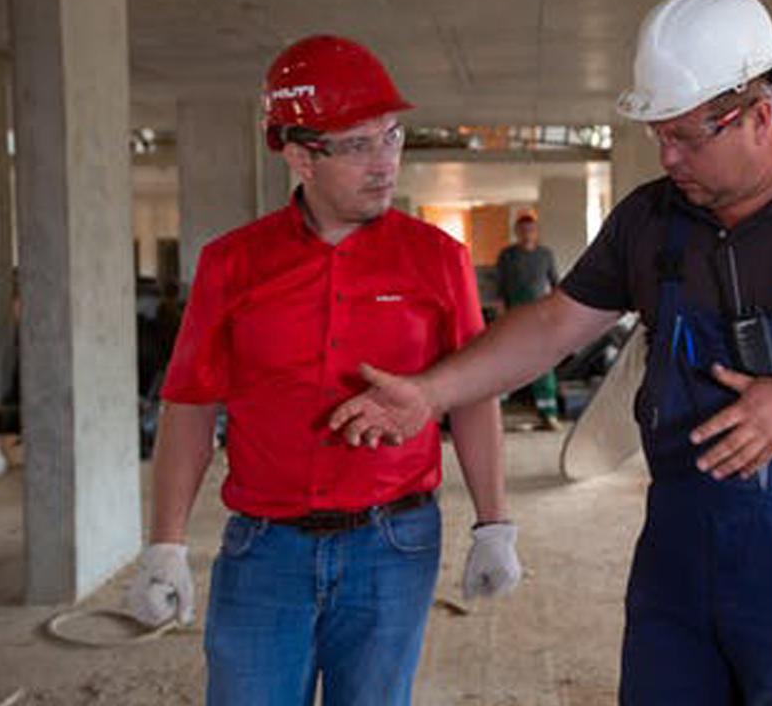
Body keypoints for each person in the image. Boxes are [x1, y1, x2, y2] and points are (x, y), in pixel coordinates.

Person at [330, 0, 772, 705]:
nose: (666, 157)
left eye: (684, 136)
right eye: (658, 135)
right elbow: (553, 324)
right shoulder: (651, 221)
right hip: (679, 545)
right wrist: (430, 392)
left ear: (758, 115)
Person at [127, 35, 521, 706]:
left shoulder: (437, 260)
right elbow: (190, 404)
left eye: (392, 137)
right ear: (300, 153)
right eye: (358, 145)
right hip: (264, 552)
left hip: (393, 546)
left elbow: (473, 397)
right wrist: (164, 544)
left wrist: (494, 524)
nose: (385, 164)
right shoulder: (233, 264)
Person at [495, 214, 561, 429]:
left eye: (530, 229)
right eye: (522, 230)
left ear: (536, 231)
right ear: (516, 231)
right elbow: (500, 287)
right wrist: (501, 312)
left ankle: (548, 412)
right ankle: (497, 412)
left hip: (540, 315)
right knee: (507, 361)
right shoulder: (507, 256)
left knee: (543, 362)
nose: (526, 234)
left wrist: (556, 312)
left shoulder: (545, 254)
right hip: (514, 314)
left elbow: (555, 284)